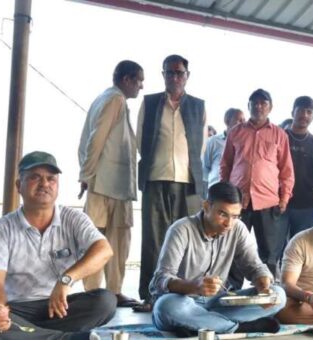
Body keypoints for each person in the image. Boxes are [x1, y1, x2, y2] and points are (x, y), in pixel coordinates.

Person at [0, 152, 116, 340]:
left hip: (62, 308)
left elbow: (104, 250)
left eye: (51, 179)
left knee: (105, 301)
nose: (44, 184)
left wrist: (65, 280)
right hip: (16, 310)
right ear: (19, 185)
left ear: (57, 186)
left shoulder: (74, 219)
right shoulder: (1, 228)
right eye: (35, 177)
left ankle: (17, 337)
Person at [150, 182, 287, 335]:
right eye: (222, 214)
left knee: (279, 295)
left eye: (235, 216)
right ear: (206, 206)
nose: (229, 223)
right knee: (166, 308)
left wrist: (264, 289)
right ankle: (237, 328)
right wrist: (194, 286)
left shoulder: (237, 228)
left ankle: (200, 325)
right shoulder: (181, 229)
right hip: (183, 302)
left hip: (219, 303)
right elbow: (159, 280)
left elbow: (255, 267)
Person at [135, 54, 207, 312]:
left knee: (188, 239)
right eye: (170, 72)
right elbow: (140, 139)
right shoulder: (150, 103)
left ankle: (187, 295)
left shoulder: (198, 106)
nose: (175, 77)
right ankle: (151, 296)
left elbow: (201, 146)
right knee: (153, 239)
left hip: (188, 182)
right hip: (156, 177)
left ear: (187, 76)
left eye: (179, 73)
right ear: (163, 75)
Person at [78, 60, 144, 308]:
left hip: (103, 182)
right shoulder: (115, 99)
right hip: (110, 185)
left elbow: (85, 141)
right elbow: (95, 139)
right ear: (126, 79)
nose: (141, 86)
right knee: (114, 240)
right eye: (138, 80)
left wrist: (86, 174)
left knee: (96, 239)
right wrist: (86, 174)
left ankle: (96, 294)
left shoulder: (103, 98)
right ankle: (108, 292)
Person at [220, 88, 295, 283]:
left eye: (263, 103)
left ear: (270, 107)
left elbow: (286, 170)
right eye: (255, 103)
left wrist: (284, 197)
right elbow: (226, 165)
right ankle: (231, 290)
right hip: (237, 202)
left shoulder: (280, 135)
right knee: (233, 247)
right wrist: (224, 196)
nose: (259, 106)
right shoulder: (236, 132)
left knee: (269, 252)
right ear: (249, 106)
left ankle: (268, 291)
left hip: (268, 202)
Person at [277, 96, 313, 255]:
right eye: (300, 110)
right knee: (275, 249)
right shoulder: (279, 138)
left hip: (307, 207)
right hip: (277, 205)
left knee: (300, 251)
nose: (304, 115)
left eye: (309, 112)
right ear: (292, 112)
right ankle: (273, 273)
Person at [202, 107, 245, 189]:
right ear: (227, 122)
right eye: (239, 120)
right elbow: (204, 167)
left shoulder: (244, 143)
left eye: (244, 120)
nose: (243, 123)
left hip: (236, 190)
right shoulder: (213, 141)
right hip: (216, 188)